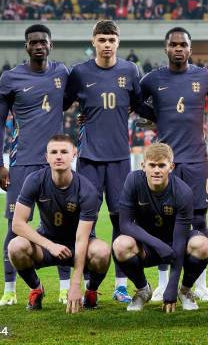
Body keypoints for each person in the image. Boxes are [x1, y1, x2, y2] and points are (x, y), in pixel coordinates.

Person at [64, 20, 154, 304]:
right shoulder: (79, 73)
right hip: (89, 159)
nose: (106, 45)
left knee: (121, 221)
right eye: (101, 39)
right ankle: (74, 283)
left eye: (111, 40)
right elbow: (61, 103)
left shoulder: (130, 70)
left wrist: (169, 113)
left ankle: (120, 285)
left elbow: (139, 104)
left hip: (119, 160)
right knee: (82, 222)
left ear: (118, 42)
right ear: (94, 41)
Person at [140, 27, 208, 302]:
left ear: (190, 49)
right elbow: (132, 103)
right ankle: (163, 283)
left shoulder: (203, 77)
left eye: (183, 45)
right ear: (166, 48)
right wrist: (155, 115)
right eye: (173, 44)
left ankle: (198, 284)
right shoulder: (152, 79)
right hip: (164, 162)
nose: (178, 49)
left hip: (195, 161)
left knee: (199, 220)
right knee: (161, 222)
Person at [0, 24, 72, 306]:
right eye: (33, 42)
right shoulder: (11, 78)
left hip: (56, 164)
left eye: (43, 41)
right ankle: (9, 289)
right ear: (27, 46)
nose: (39, 45)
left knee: (62, 225)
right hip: (22, 163)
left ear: (51, 45)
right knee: (15, 227)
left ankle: (65, 288)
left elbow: (78, 98)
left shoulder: (62, 73)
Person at [7, 134, 111, 312]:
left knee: (102, 251)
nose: (59, 156)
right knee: (15, 246)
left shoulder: (87, 190)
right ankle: (36, 289)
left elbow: (82, 239)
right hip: (46, 244)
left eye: (64, 151)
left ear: (74, 154)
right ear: (46, 157)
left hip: (78, 245)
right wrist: (50, 245)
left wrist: (75, 284)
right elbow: (17, 224)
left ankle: (91, 291)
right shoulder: (34, 180)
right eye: (53, 152)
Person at [112, 143, 208, 312]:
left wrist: (171, 287)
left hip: (175, 244)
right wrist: (157, 244)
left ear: (171, 167)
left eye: (162, 165)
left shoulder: (183, 192)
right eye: (152, 165)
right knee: (120, 245)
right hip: (147, 245)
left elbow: (180, 241)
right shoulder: (133, 181)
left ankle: (185, 290)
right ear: (143, 166)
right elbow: (125, 224)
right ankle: (143, 289)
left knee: (202, 245)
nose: (156, 170)